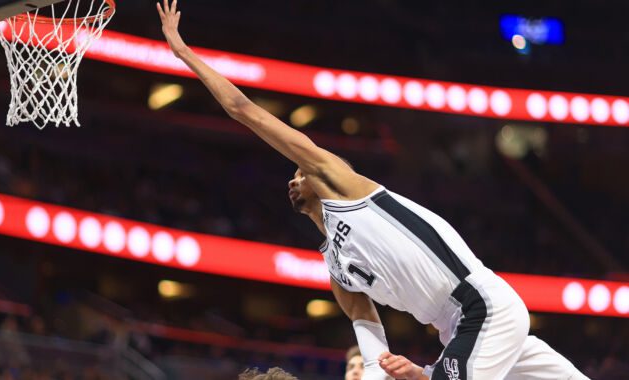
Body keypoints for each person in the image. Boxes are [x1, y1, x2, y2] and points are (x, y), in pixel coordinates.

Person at [156, 1, 588, 379]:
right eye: (295, 173)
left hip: (481, 307)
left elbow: (243, 110)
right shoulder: (337, 269)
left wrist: (184, 52)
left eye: (299, 169)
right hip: (457, 330)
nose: (294, 175)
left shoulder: (344, 188)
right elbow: (369, 332)